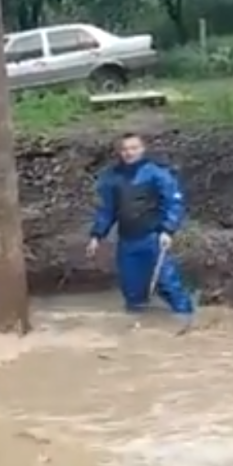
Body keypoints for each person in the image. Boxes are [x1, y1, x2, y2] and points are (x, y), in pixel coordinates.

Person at [86, 132, 194, 331]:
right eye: (125, 149)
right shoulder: (112, 177)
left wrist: (167, 230)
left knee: (168, 284)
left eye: (133, 148)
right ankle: (137, 327)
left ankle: (186, 320)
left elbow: (173, 202)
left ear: (142, 149)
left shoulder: (157, 173)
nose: (129, 153)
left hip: (154, 238)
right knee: (131, 289)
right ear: (119, 152)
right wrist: (96, 235)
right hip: (127, 241)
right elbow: (107, 209)